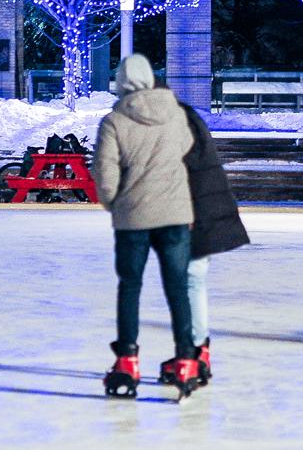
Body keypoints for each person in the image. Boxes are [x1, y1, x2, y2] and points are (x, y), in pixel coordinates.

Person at [92, 53, 201, 399]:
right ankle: (186, 361)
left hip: (133, 218)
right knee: (177, 288)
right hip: (174, 214)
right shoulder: (176, 114)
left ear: (121, 81)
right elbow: (186, 146)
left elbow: (105, 177)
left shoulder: (113, 121)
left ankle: (127, 361)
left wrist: (116, 204)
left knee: (130, 287)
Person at [158, 101, 250, 386]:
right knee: (194, 281)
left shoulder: (169, 122)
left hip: (192, 213)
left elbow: (175, 170)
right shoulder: (187, 115)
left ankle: (190, 355)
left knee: (186, 283)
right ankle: (200, 353)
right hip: (207, 211)